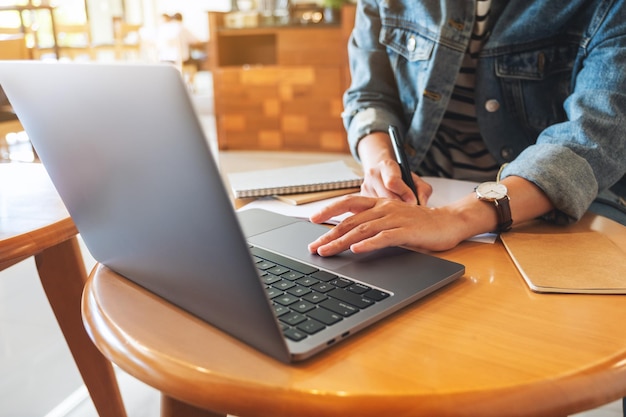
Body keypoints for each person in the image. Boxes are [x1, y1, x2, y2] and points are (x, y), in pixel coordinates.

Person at [308, 0, 626, 259]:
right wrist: (381, 164)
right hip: (421, 203)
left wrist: (456, 218)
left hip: (553, 214)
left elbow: (594, 136)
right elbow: (369, 96)